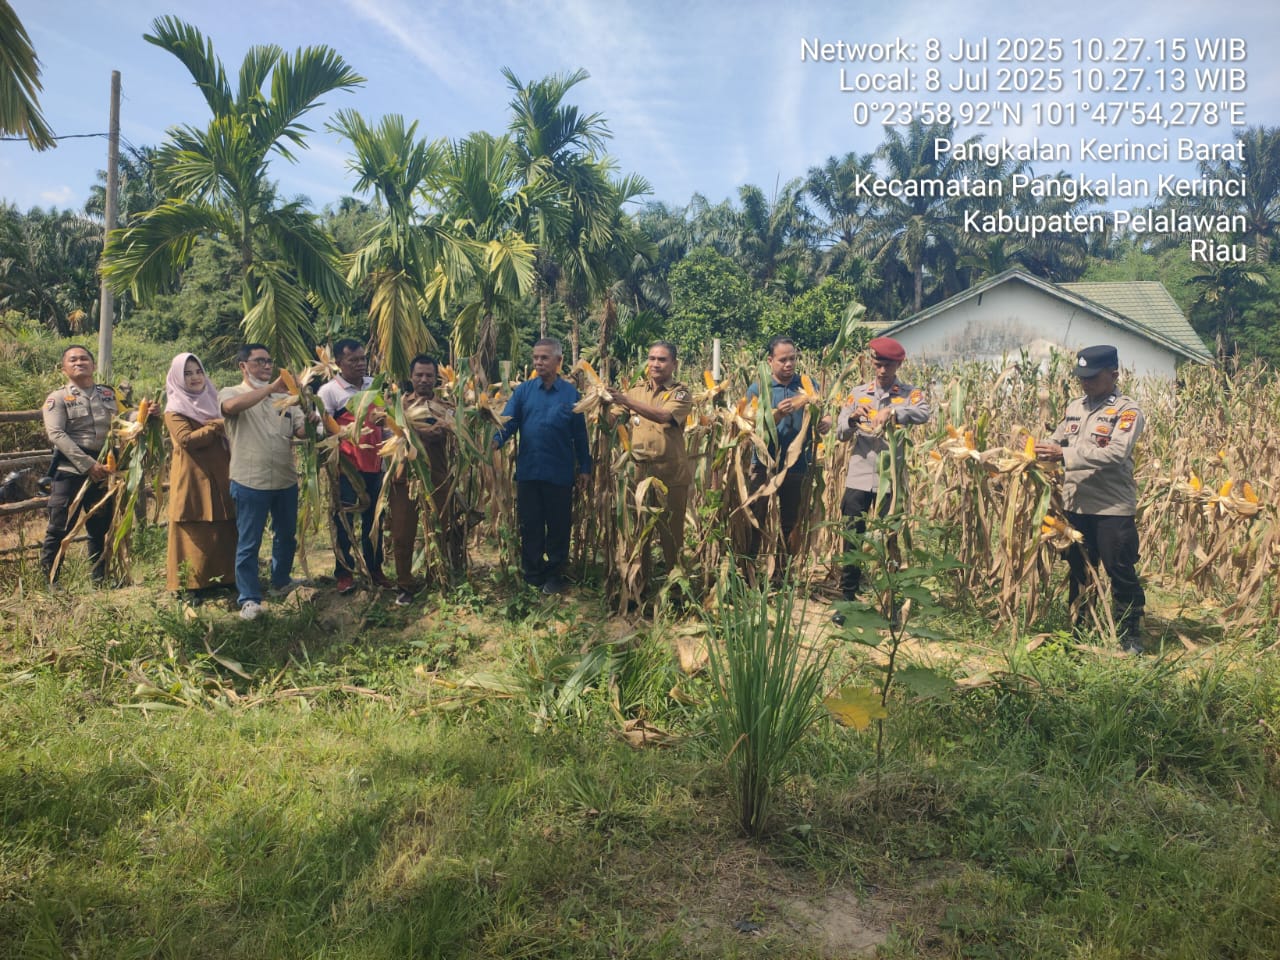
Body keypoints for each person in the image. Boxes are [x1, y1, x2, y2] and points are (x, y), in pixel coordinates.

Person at [1035, 345, 1146, 654]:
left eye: (1092, 378)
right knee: (1079, 569)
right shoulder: (1075, 407)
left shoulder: (1126, 411)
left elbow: (1115, 453)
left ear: (1113, 375)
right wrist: (1040, 449)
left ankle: (1129, 633)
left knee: (1118, 568)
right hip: (1076, 505)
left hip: (1111, 507)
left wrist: (1063, 454)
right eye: (1081, 378)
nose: (1086, 384)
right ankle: (1080, 628)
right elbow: (1058, 440)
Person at [833, 337, 931, 622]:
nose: (881, 370)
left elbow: (924, 413)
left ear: (898, 364)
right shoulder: (857, 393)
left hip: (891, 481)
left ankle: (888, 603)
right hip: (859, 476)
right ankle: (847, 601)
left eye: (887, 364)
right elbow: (840, 431)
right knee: (852, 538)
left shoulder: (909, 394)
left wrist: (894, 411)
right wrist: (852, 419)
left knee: (890, 539)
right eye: (877, 364)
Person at [493, 338, 592, 594]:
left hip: (559, 473)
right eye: (535, 357)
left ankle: (555, 573)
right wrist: (493, 442)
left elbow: (580, 436)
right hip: (529, 471)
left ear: (558, 362)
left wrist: (585, 467)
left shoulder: (571, 395)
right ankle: (533, 573)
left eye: (544, 358)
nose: (538, 362)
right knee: (531, 524)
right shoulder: (523, 392)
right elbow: (508, 423)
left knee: (559, 525)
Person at [219, 343, 307, 621]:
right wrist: (270, 389)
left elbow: (301, 430)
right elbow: (231, 408)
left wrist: (314, 415)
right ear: (243, 366)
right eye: (259, 362)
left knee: (286, 535)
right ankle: (249, 598)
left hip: (284, 478)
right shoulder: (232, 392)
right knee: (249, 541)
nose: (267, 367)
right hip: (249, 480)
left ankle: (281, 581)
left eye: (269, 361)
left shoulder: (288, 399)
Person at [611, 340, 694, 578]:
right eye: (652, 358)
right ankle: (639, 585)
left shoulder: (680, 392)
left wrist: (624, 400)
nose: (655, 364)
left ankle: (675, 588)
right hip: (640, 473)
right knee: (640, 533)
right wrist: (602, 406)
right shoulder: (637, 390)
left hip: (671, 475)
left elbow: (664, 416)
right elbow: (615, 418)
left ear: (674, 363)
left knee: (671, 534)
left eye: (662, 359)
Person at [744, 336, 831, 559]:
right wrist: (776, 415)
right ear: (770, 361)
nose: (789, 364)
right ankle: (751, 567)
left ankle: (785, 571)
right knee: (756, 516)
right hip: (763, 464)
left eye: (793, 359)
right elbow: (749, 426)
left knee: (791, 519)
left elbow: (825, 412)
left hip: (797, 464)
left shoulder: (808, 384)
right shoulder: (758, 388)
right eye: (783, 360)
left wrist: (826, 421)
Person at [316, 338, 389, 594]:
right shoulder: (329, 392)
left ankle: (375, 569)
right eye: (353, 360)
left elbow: (385, 423)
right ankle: (344, 572)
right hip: (346, 468)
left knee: (375, 521)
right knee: (344, 521)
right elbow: (319, 427)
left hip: (375, 464)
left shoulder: (374, 386)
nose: (360, 364)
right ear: (338, 363)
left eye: (363, 359)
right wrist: (344, 432)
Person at [387, 355, 461, 605]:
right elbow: (395, 431)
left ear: (436, 378)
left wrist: (432, 430)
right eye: (419, 375)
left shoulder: (445, 406)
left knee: (440, 529)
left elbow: (448, 429)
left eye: (429, 375)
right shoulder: (398, 406)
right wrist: (418, 431)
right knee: (402, 534)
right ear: (411, 377)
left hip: (437, 477)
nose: (424, 380)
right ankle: (405, 584)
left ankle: (437, 577)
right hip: (404, 478)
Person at [163, 352, 236, 601]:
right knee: (193, 528)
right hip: (193, 476)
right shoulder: (175, 409)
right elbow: (186, 440)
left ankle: (224, 579)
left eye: (198, 371)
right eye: (187, 373)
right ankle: (190, 585)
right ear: (177, 378)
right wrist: (217, 425)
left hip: (221, 471)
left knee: (223, 526)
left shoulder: (214, 401)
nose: (194, 377)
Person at [40, 345, 116, 584]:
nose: (79, 362)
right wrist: (87, 464)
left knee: (100, 526)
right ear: (64, 369)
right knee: (60, 527)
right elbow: (56, 434)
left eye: (84, 358)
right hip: (71, 470)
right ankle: (49, 582)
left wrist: (147, 413)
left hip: (103, 469)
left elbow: (127, 417)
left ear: (93, 365)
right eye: (72, 360)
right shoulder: (58, 398)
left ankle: (100, 580)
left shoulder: (109, 394)